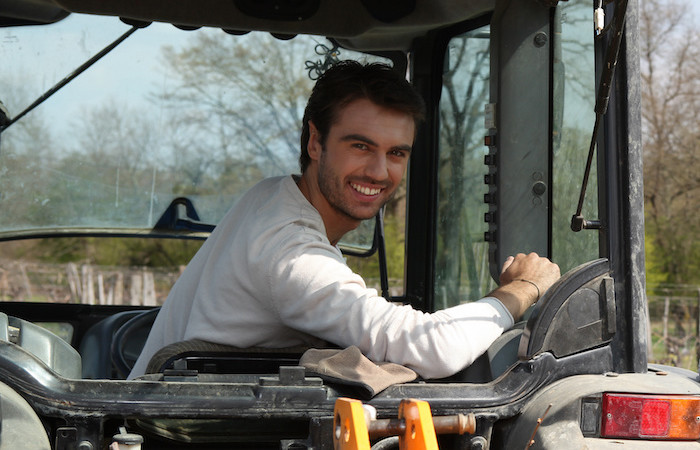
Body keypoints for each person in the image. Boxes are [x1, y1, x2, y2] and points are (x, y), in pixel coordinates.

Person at [128, 61, 560, 380]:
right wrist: (522, 289)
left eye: (396, 153)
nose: (378, 171)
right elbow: (430, 347)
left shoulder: (273, 195)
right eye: (360, 146)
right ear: (316, 141)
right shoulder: (288, 251)